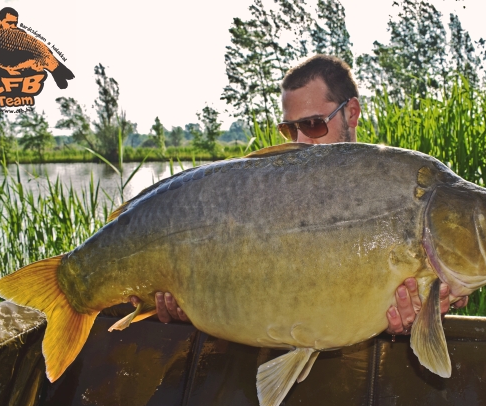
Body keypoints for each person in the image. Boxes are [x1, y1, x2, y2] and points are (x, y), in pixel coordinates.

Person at [142, 54, 467, 334]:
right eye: (288, 129)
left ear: (351, 113)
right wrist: (188, 307)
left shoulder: (398, 183)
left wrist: (414, 320)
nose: (299, 140)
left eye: (313, 125)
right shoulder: (257, 193)